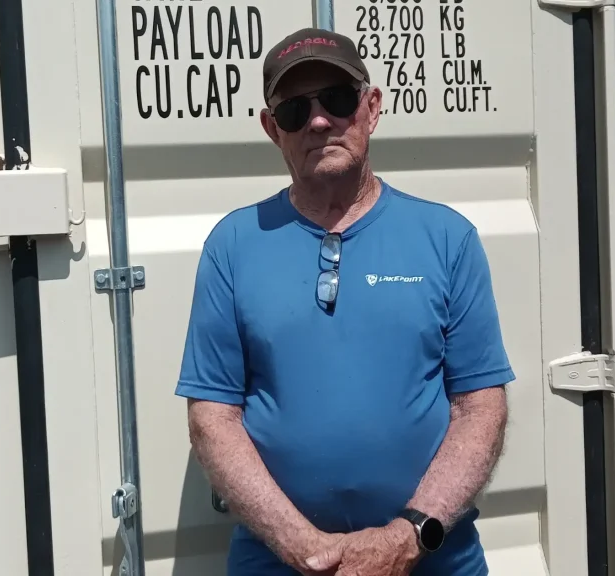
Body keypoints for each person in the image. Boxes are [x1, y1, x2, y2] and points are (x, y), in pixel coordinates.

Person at [175, 27, 514, 576]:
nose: (318, 121)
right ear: (272, 129)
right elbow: (213, 417)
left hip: (433, 561)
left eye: (337, 99)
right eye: (294, 110)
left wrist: (407, 538)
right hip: (278, 564)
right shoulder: (233, 246)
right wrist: (305, 549)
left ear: (371, 107)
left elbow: (480, 407)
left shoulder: (447, 238)